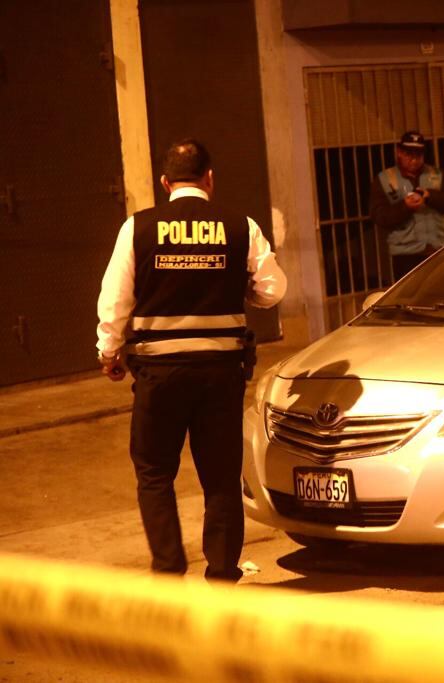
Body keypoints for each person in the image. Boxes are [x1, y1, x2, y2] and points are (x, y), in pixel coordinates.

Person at [96, 138, 287, 582]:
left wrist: (109, 352)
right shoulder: (241, 227)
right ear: (209, 179)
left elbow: (114, 300)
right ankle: (222, 573)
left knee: (154, 473)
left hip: (158, 374)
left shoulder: (137, 228)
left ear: (165, 183)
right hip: (220, 373)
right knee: (220, 476)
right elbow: (273, 290)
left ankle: (168, 570)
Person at [369, 130, 444, 281]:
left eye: (418, 155)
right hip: (406, 255)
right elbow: (380, 216)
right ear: (399, 152)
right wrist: (405, 207)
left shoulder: (437, 175)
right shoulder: (385, 180)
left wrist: (430, 197)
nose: (413, 160)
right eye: (409, 154)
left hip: (437, 250)